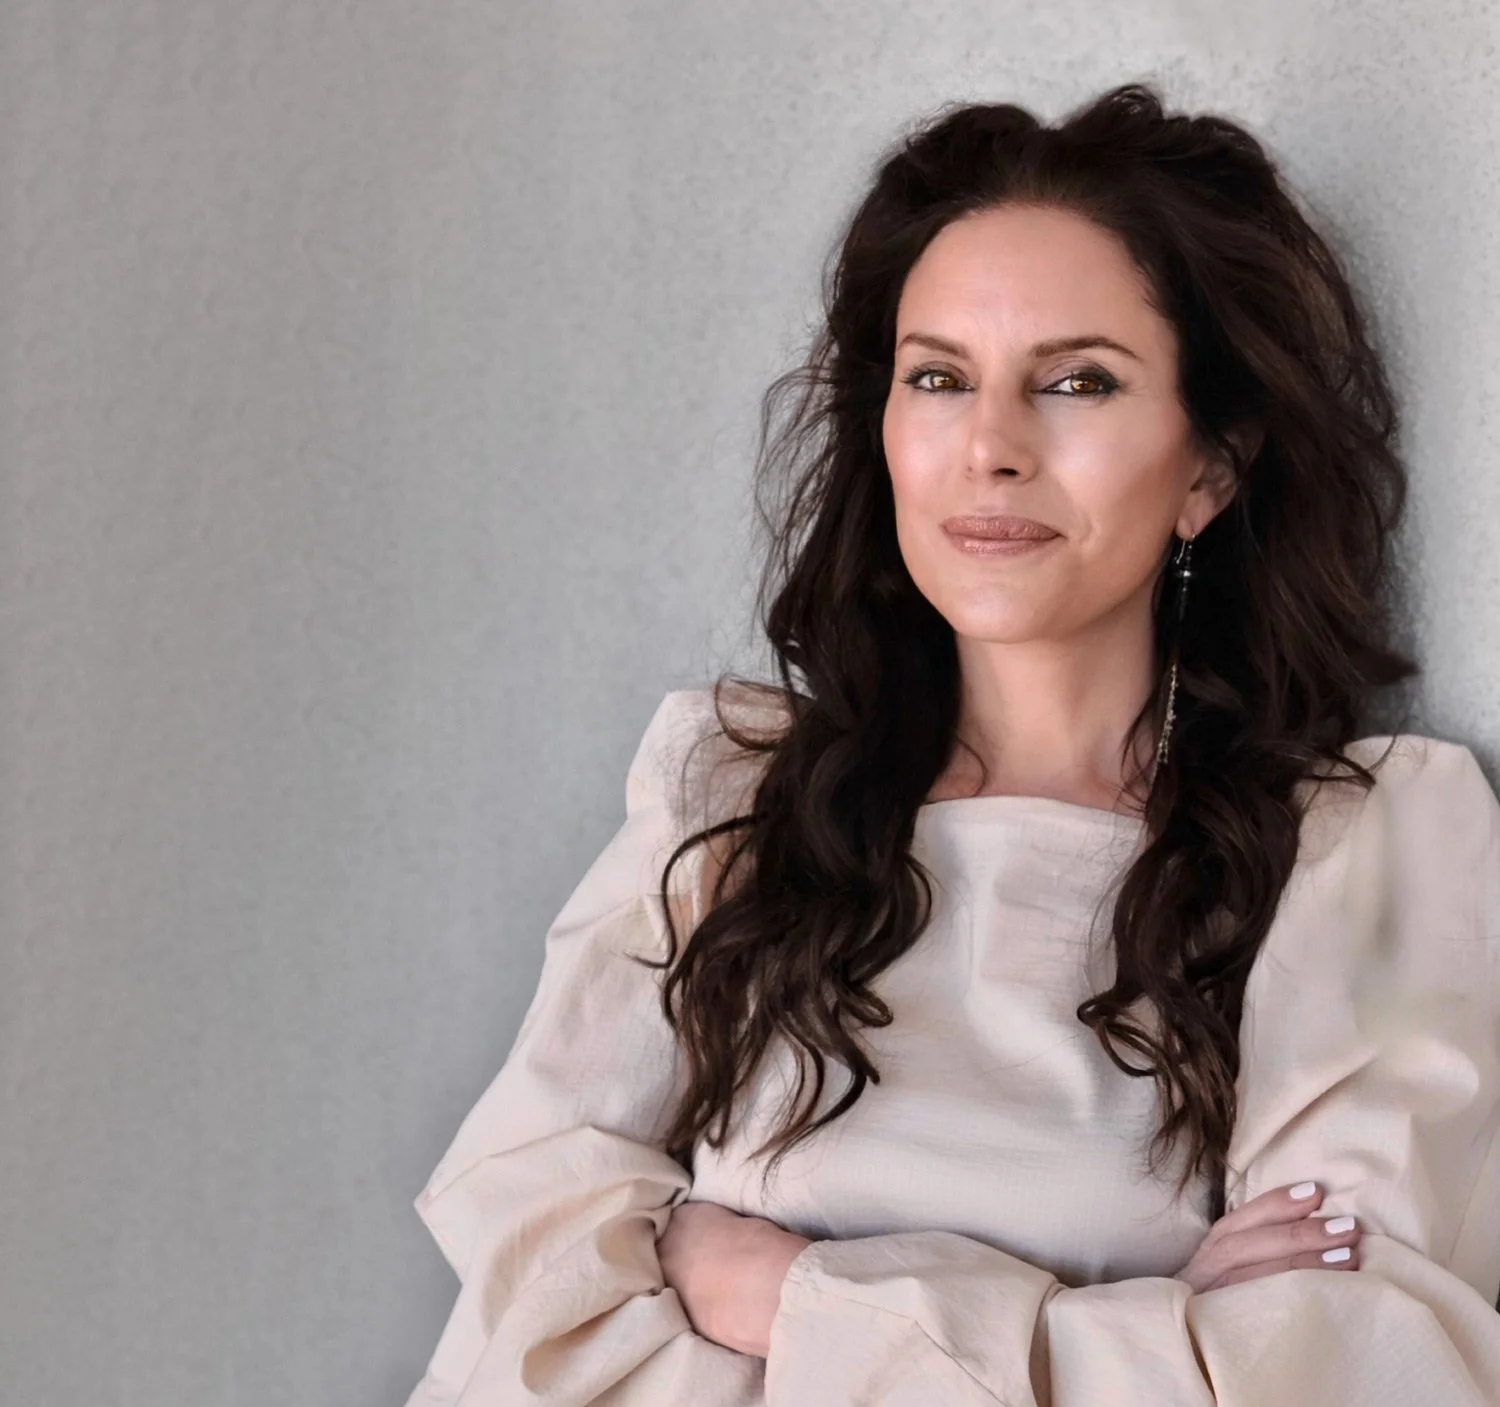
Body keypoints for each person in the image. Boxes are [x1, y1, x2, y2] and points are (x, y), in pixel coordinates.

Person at [403, 83, 1500, 1405]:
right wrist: (1127, 1326)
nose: (990, 448)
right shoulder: (733, 802)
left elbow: (1359, 1369)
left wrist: (781, 1293)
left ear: (1210, 464)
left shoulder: (1366, 849)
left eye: (1077, 382)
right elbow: (534, 1320)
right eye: (939, 378)